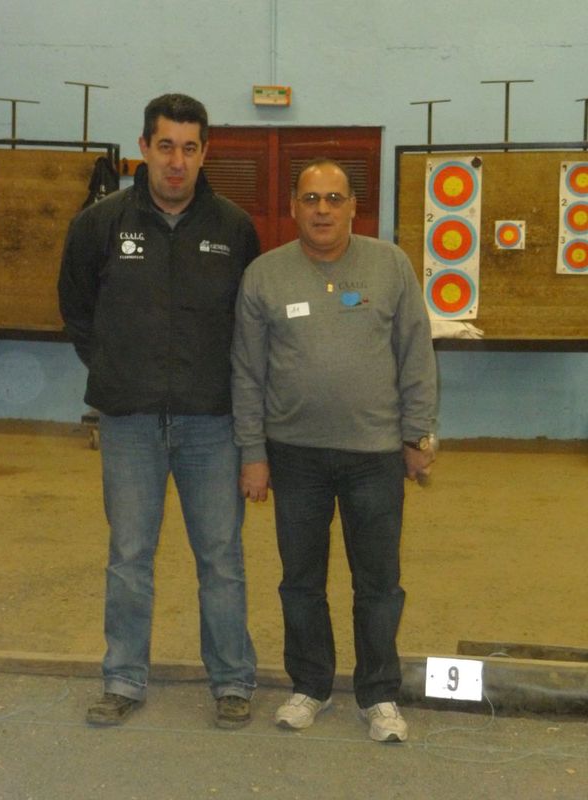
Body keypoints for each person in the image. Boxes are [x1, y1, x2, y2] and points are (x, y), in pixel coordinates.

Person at [58, 93, 259, 729]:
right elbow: (76, 308)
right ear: (143, 147)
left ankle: (232, 680)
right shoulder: (99, 224)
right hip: (129, 423)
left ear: (205, 153)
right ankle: (122, 679)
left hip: (212, 424)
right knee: (129, 556)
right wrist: (114, 369)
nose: (177, 161)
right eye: (165, 146)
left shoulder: (234, 228)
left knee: (221, 557)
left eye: (189, 148)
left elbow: (249, 324)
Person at [231, 158, 437, 742]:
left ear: (353, 208)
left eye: (334, 198)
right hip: (293, 456)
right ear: (293, 207)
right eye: (311, 198)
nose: (322, 210)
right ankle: (311, 686)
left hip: (375, 456)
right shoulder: (264, 276)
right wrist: (252, 452)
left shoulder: (390, 266)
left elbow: (416, 355)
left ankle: (379, 695)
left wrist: (418, 435)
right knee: (301, 581)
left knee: (378, 583)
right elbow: (246, 372)